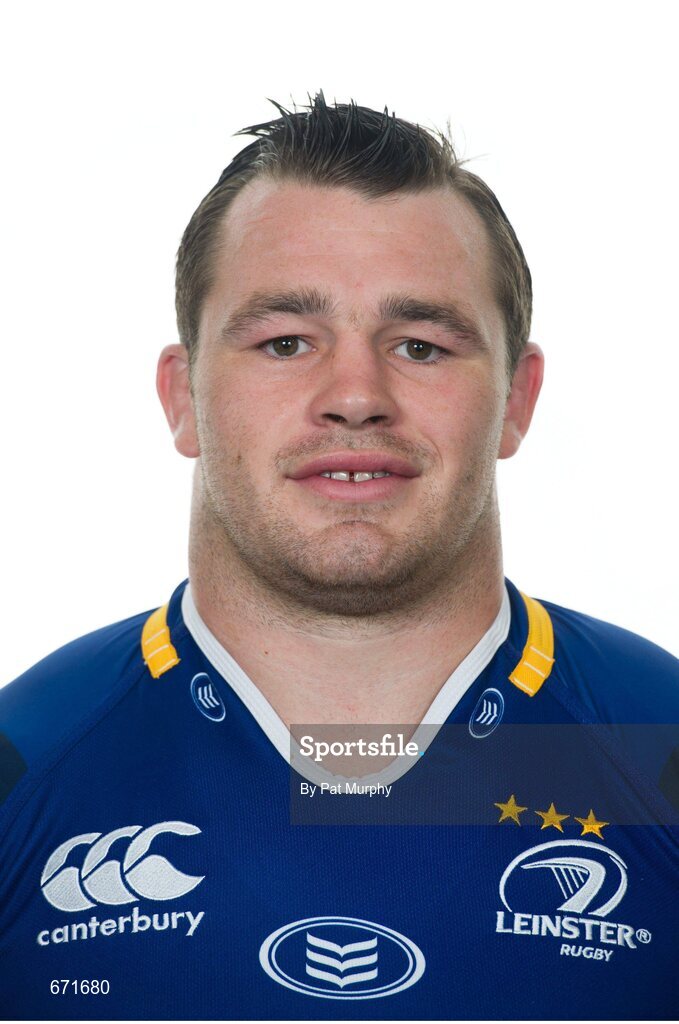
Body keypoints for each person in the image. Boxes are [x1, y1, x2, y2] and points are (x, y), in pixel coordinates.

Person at [0, 93, 677, 1021]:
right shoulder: (22, 763)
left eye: (419, 345)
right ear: (183, 397)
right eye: (285, 341)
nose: (355, 396)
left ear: (517, 400)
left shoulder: (660, 750)